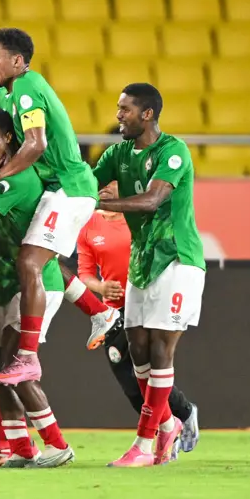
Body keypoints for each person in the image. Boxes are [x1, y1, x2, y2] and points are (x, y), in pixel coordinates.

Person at [0, 27, 118, 384]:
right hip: (57, 188)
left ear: (18, 61)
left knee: (30, 261)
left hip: (70, 187)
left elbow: (36, 144)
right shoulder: (8, 93)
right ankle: (100, 312)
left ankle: (28, 357)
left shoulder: (27, 86)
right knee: (44, 260)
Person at [93, 83, 207, 468]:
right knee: (137, 350)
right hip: (142, 261)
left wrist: (103, 202)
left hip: (177, 258)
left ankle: (144, 443)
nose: (118, 115)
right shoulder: (118, 153)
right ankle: (169, 423)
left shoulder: (173, 151)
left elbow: (153, 199)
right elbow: (86, 182)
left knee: (160, 349)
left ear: (147, 114)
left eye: (125, 109)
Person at [0, 108, 75, 467]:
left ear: (9, 138)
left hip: (35, 285)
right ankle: (20, 447)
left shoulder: (14, 179)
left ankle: (57, 445)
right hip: (9, 286)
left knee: (16, 367)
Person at [77, 182, 200, 455]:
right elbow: (84, 272)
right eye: (101, 182)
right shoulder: (88, 224)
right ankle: (170, 423)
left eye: (111, 182)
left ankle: (177, 419)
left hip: (145, 299)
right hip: (112, 310)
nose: (105, 187)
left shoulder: (138, 216)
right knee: (131, 384)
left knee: (149, 370)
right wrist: (100, 287)